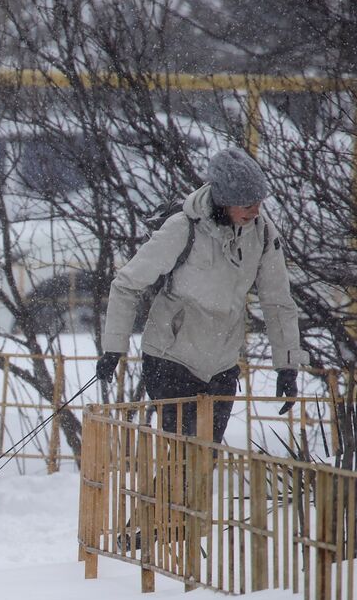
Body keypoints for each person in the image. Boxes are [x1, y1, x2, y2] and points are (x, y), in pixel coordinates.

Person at [96, 146, 305, 444]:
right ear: (223, 200)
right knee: (184, 459)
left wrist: (287, 366)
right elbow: (127, 284)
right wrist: (114, 349)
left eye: (258, 202)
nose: (255, 210)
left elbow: (279, 303)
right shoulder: (183, 228)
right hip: (171, 359)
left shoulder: (263, 234)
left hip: (222, 363)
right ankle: (164, 491)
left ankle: (165, 492)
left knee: (205, 460)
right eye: (246, 203)